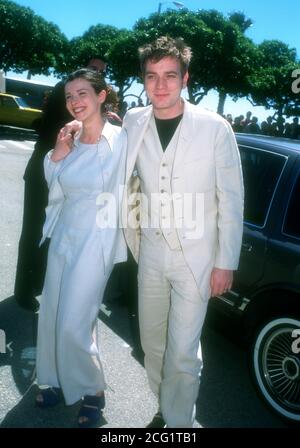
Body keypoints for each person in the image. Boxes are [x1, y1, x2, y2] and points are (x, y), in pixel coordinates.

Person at [122, 36, 244, 428]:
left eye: (170, 76)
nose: (160, 85)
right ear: (143, 79)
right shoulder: (133, 120)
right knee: (152, 343)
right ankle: (165, 403)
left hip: (196, 257)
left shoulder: (215, 127)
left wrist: (225, 263)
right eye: (152, 76)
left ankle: (178, 424)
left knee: (183, 351)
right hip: (151, 251)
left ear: (185, 78)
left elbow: (231, 199)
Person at [35, 69, 127, 428]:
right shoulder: (68, 138)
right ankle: (54, 378)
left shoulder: (122, 139)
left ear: (102, 96)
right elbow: (55, 186)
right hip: (64, 235)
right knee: (54, 311)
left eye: (83, 93)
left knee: (76, 318)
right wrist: (57, 153)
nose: (74, 101)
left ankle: (92, 391)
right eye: (70, 95)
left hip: (98, 239)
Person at [14, 57, 108, 312]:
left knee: (52, 230)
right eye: (93, 67)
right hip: (42, 172)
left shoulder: (90, 98)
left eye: (101, 71)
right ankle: (23, 290)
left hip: (67, 176)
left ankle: (37, 286)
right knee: (34, 229)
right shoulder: (63, 91)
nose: (96, 71)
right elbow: (60, 125)